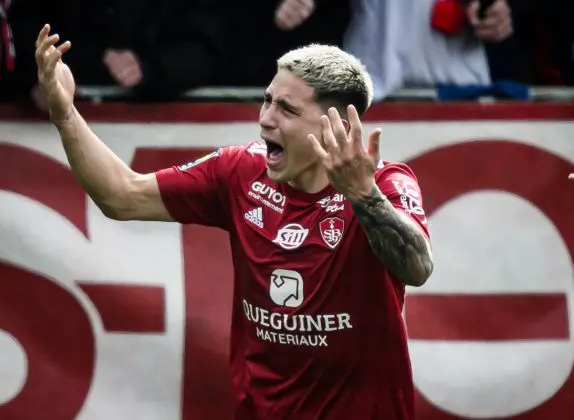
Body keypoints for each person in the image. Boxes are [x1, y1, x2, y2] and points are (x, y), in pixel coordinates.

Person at [34, 23, 434, 420]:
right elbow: (121, 195)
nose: (265, 120)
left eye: (287, 109)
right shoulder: (240, 171)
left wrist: (364, 197)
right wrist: (65, 113)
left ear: (338, 127)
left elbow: (417, 269)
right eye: (267, 100)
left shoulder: (385, 183)